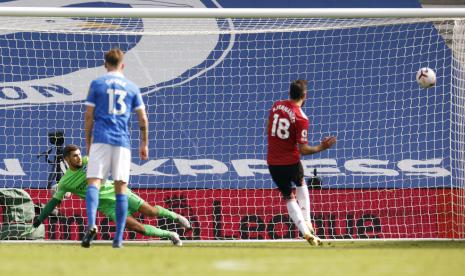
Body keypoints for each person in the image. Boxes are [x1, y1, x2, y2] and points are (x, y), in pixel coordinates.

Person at [23, 144, 192, 246]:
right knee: (137, 228)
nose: (79, 158)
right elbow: (53, 202)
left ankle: (175, 216)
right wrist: (38, 220)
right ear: (67, 159)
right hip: (107, 205)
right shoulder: (66, 182)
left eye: (79, 154)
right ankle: (171, 235)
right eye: (75, 156)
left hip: (118, 191)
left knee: (151, 212)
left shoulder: (89, 161)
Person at [84, 48, 149, 248]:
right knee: (120, 187)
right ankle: (118, 239)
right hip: (122, 142)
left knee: (93, 182)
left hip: (101, 139)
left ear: (105, 64)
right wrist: (144, 143)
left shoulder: (97, 84)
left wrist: (88, 141)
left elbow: (88, 116)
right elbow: (143, 119)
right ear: (123, 65)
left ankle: (92, 225)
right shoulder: (132, 87)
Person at [267, 79, 336, 246]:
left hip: (273, 162)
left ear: (289, 92)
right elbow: (304, 149)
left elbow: (268, 127)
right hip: (291, 161)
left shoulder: (276, 105)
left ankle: (305, 232)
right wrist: (322, 146)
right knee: (300, 182)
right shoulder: (301, 117)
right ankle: (307, 221)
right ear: (305, 96)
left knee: (288, 197)